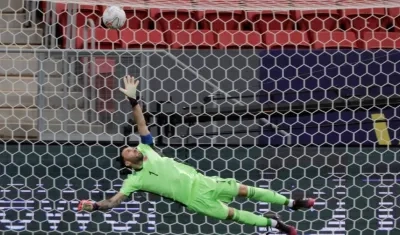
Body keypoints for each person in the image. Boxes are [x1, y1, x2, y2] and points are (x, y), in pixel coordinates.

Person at [78, 76, 315, 235]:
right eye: (128, 151)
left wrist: (133, 100)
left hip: (204, 181)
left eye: (130, 147)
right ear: (128, 163)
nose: (132, 148)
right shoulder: (134, 181)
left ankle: (293, 203)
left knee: (245, 190)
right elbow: (113, 202)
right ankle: (277, 225)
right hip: (195, 200)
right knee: (236, 215)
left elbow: (141, 123)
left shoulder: (146, 149)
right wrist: (95, 206)